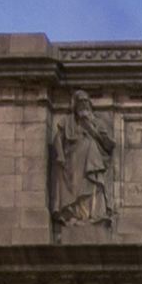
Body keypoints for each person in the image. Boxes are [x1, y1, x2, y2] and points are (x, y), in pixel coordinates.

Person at [50, 90, 116, 228]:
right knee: (75, 187)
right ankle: (76, 215)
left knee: (93, 183)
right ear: (75, 105)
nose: (83, 105)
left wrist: (91, 130)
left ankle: (93, 215)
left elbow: (109, 144)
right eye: (80, 102)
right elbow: (58, 139)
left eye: (86, 102)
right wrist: (61, 155)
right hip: (73, 162)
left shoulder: (97, 123)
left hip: (92, 163)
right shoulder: (68, 122)